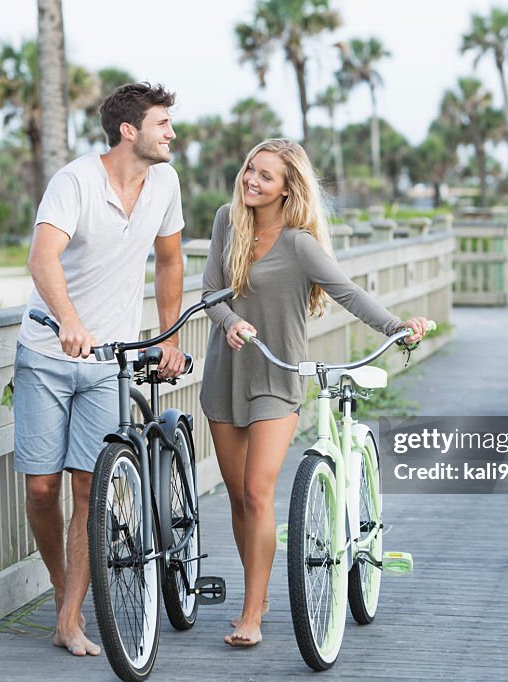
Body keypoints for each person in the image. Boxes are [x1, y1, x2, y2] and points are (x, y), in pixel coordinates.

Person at [199, 138, 428, 647]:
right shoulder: (226, 221)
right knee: (237, 498)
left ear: (287, 189)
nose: (251, 181)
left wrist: (397, 327)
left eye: (265, 176)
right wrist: (231, 321)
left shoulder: (300, 243)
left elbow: (348, 292)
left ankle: (250, 614)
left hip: (277, 380)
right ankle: (256, 596)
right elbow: (210, 293)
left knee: (259, 492)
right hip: (225, 374)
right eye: (249, 171)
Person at [13, 82, 187, 657]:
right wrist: (67, 319)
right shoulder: (75, 181)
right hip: (47, 353)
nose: (172, 134)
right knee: (42, 488)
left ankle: (68, 618)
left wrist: (169, 336)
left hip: (108, 363)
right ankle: (70, 596)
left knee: (89, 485)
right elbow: (43, 256)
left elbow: (169, 260)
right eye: (163, 123)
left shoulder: (165, 183)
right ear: (129, 130)